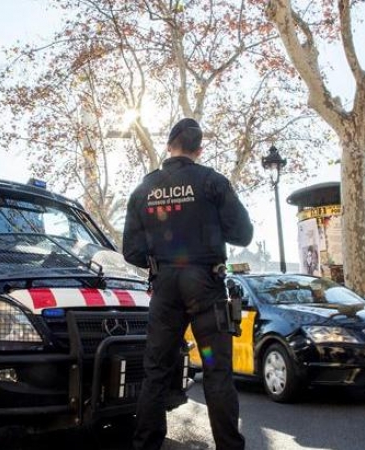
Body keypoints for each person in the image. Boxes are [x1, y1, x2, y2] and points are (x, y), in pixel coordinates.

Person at [123, 118, 253, 450]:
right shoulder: (212, 182)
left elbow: (131, 251)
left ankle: (145, 445)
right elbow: (243, 234)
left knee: (155, 371)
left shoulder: (143, 189)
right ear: (199, 150)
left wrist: (160, 259)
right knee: (217, 373)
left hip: (165, 286)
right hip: (206, 284)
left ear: (169, 146)